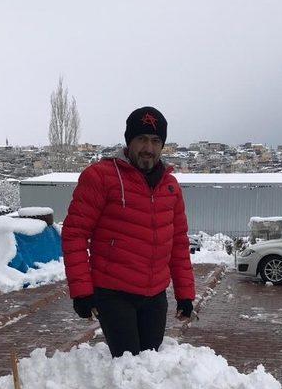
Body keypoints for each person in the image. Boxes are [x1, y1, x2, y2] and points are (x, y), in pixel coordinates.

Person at [62, 106, 196, 358]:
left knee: (149, 364)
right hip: (114, 294)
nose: (149, 147)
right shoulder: (101, 177)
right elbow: (74, 233)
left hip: (155, 296)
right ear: (129, 141)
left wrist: (185, 295)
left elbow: (178, 243)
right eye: (141, 139)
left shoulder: (171, 187)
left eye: (156, 141)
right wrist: (82, 291)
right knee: (128, 365)